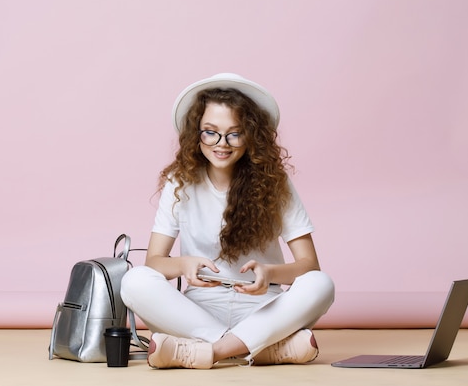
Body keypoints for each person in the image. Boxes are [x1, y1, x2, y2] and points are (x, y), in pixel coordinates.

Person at [121, 73, 335, 369]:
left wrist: (269, 274)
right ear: (196, 134)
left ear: (251, 137)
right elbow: (155, 263)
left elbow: (309, 266)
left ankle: (212, 352)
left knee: (320, 284)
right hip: (199, 312)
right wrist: (184, 265)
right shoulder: (179, 181)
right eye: (210, 132)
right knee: (134, 281)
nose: (222, 143)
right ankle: (259, 349)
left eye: (234, 133)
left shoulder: (275, 182)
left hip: (264, 309)